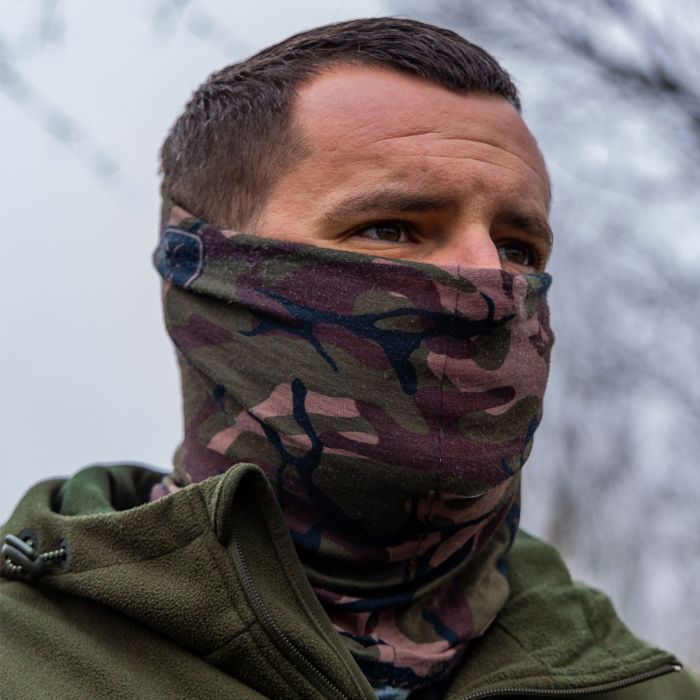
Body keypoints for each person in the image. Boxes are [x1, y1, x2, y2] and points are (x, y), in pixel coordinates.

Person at [1, 17, 698, 700]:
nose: (491, 280)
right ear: (202, 277)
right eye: (391, 228)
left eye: (518, 247)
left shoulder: (638, 686)